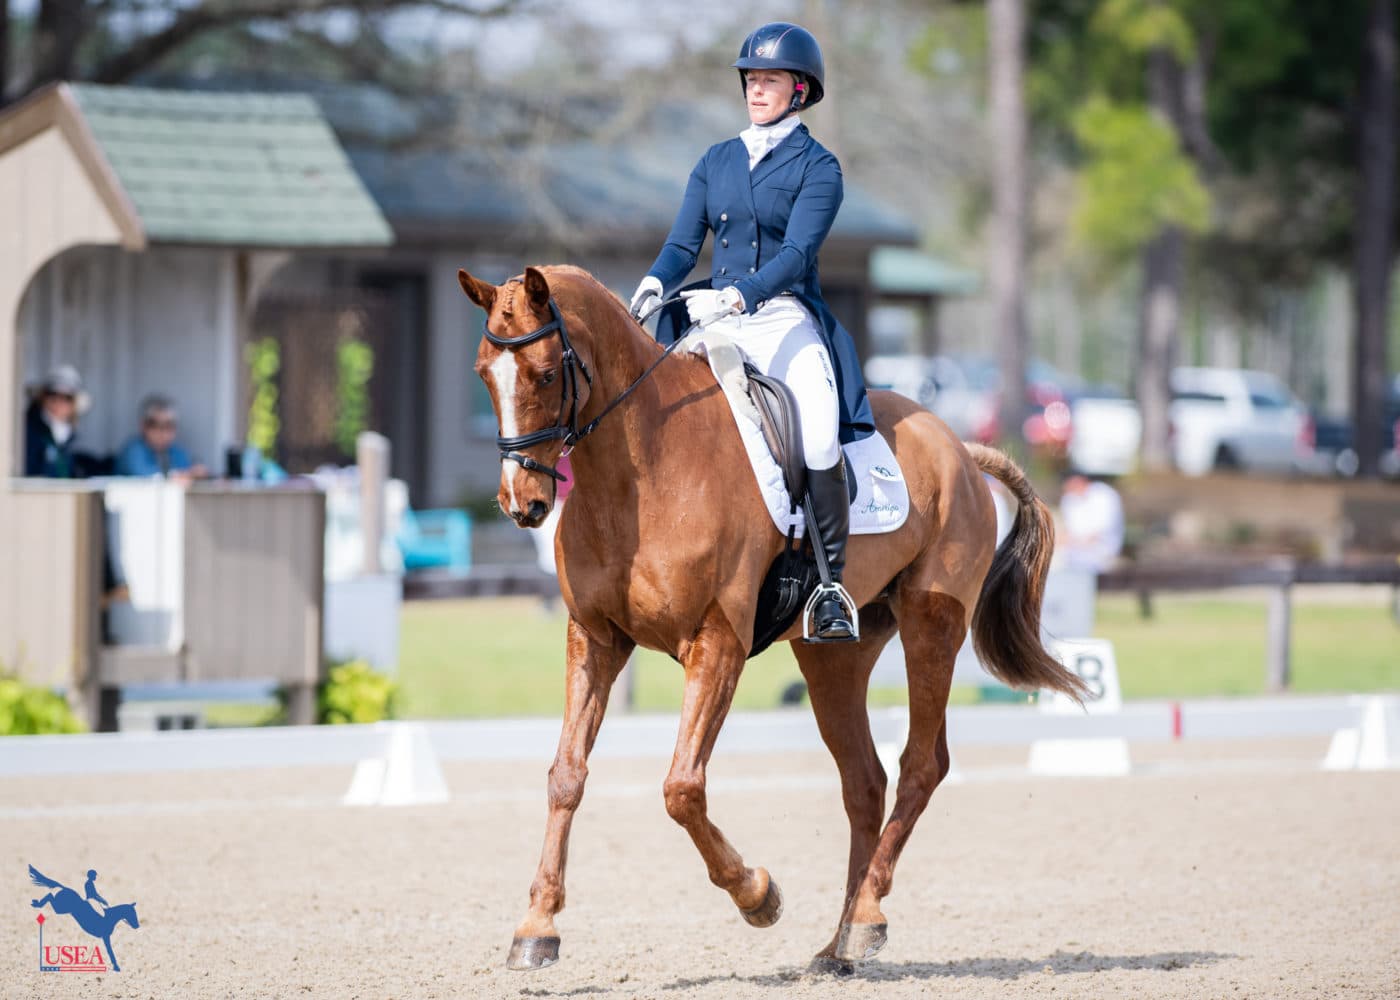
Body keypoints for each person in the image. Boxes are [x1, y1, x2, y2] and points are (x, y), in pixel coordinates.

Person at [629, 22, 875, 642]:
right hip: (713, 317)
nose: (756, 90)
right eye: (751, 79)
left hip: (782, 317)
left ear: (800, 90)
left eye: (769, 80)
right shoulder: (716, 160)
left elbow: (797, 253)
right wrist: (655, 283)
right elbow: (683, 245)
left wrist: (743, 294)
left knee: (818, 437)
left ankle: (831, 586)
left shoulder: (819, 167)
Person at [115, 394, 206, 480]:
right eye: (156, 426)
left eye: (169, 426)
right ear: (143, 426)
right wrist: (176, 476)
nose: (163, 433)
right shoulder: (133, 450)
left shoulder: (176, 451)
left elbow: (186, 472)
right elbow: (143, 474)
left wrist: (195, 472)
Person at [23, 364, 91, 478]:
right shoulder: (27, 430)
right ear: (42, 397)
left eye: (67, 398)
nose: (58, 402)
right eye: (52, 394)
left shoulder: (69, 437)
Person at [1057, 473, 1125, 573]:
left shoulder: (1104, 495)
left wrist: (1074, 541)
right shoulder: (1069, 499)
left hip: (1103, 553)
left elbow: (1101, 532)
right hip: (1075, 555)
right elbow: (1068, 530)